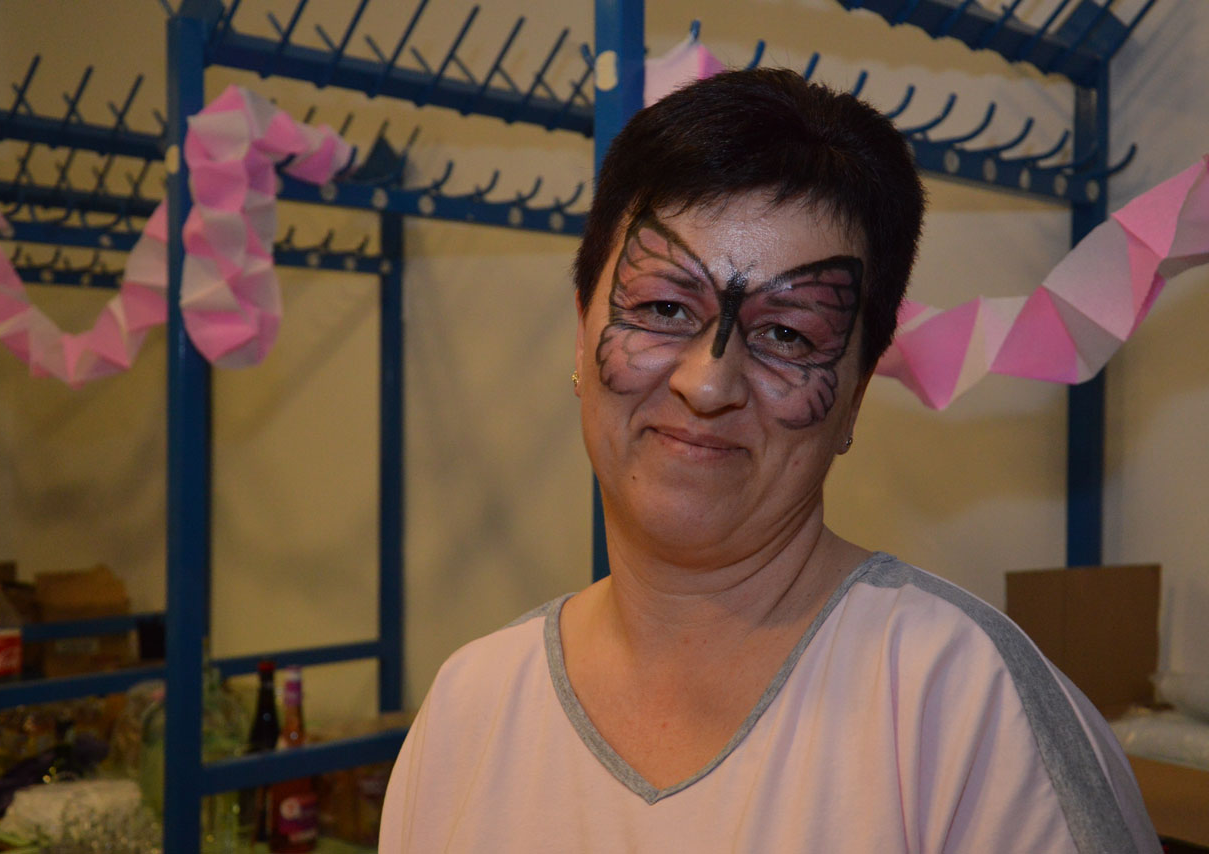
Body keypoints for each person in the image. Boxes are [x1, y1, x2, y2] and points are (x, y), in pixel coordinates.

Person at [379, 68, 1159, 853]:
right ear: (581, 334)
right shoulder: (469, 710)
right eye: (662, 307)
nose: (708, 383)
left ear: (855, 394)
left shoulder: (970, 715)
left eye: (788, 333)